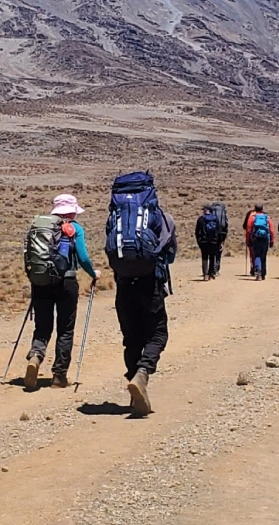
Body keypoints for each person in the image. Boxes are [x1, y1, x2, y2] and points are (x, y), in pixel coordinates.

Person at [104, 172, 176, 417]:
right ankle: (143, 374)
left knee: (131, 338)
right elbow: (171, 252)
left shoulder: (115, 218)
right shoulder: (158, 216)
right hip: (150, 283)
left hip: (124, 284)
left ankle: (135, 394)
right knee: (158, 334)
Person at [24, 194, 99, 390]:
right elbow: (82, 257)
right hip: (66, 282)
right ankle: (59, 376)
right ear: (72, 210)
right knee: (65, 329)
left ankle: (35, 357)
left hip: (41, 281)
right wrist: (94, 273)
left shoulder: (40, 227)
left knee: (42, 326)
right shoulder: (75, 228)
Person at [195, 205, 223, 281]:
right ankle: (211, 274)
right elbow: (219, 231)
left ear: (205, 210)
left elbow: (197, 232)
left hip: (203, 241)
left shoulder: (200, 219)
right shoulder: (215, 219)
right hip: (214, 241)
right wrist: (219, 242)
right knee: (212, 257)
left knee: (204, 258)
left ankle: (205, 275)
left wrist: (198, 241)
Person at [247, 205, 273, 280]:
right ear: (262, 209)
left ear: (255, 209)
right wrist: (271, 240)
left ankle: (258, 272)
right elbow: (271, 230)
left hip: (256, 239)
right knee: (263, 256)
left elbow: (249, 230)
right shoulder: (267, 217)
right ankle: (263, 273)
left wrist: (248, 240)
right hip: (265, 239)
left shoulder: (252, 217)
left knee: (257, 255)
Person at [243, 205, 260, 276]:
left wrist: (247, 239)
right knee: (260, 254)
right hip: (263, 237)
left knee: (253, 254)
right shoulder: (265, 215)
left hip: (252, 237)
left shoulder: (250, 214)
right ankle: (261, 270)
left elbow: (245, 226)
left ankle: (253, 269)